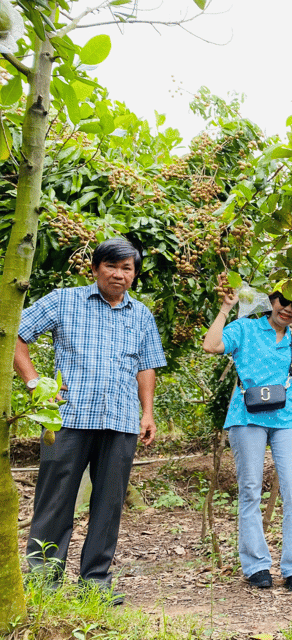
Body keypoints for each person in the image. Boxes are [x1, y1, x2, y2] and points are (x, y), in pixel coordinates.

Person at [15, 238, 167, 603]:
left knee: (109, 503)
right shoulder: (63, 300)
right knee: (54, 500)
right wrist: (36, 385)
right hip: (66, 417)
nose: (118, 274)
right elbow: (16, 336)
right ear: (96, 268)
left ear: (135, 274)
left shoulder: (141, 314)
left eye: (127, 268)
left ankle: (95, 581)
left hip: (121, 420)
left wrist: (147, 413)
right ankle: (43, 580)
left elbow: (146, 366)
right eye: (111, 266)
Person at [203, 278, 292, 592]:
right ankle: (256, 566)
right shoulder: (245, 329)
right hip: (246, 416)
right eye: (283, 301)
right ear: (272, 300)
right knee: (250, 489)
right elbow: (211, 346)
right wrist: (225, 309)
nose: (287, 309)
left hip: (287, 419)